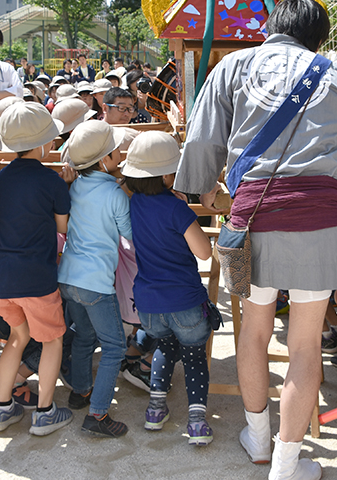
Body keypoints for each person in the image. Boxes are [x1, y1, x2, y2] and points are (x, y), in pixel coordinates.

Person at [176, 0, 337, 479]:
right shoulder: (334, 73)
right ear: (318, 36)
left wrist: (207, 189)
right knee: (303, 346)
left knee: (252, 333)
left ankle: (257, 440)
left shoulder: (233, 65)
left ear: (273, 25)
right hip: (318, 217)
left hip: (251, 214)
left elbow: (200, 143)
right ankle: (287, 464)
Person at [0, 103, 74, 437]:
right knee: (52, 339)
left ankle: (2, 407)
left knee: (17, 338)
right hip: (35, 277)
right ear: (43, 144)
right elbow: (62, 227)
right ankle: (45, 411)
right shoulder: (51, 181)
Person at [122, 132, 216, 445]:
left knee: (163, 346)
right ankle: (197, 423)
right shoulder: (177, 209)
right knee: (193, 355)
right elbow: (203, 252)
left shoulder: (131, 204)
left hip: (148, 303)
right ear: (167, 175)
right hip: (185, 300)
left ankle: (155, 411)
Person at [58, 120, 132, 438]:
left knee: (84, 336)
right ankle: (98, 415)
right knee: (115, 346)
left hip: (68, 277)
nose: (119, 151)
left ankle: (80, 391)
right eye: (115, 149)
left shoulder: (75, 186)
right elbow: (129, 235)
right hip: (96, 282)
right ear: (105, 159)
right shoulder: (114, 193)